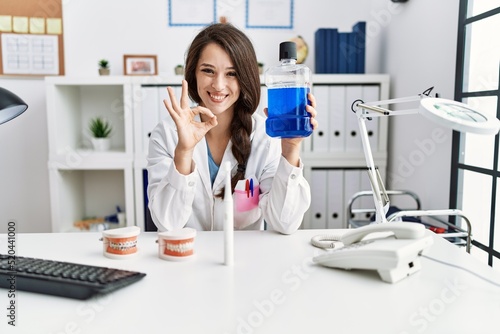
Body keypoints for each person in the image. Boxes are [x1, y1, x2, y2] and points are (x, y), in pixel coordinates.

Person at [147, 23, 318, 234]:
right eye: (208, 71)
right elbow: (167, 223)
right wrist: (183, 151)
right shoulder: (166, 134)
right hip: (186, 258)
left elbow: (285, 223)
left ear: (245, 78)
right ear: (193, 75)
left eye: (231, 74)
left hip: (244, 262)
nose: (218, 85)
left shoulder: (265, 137)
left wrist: (291, 147)